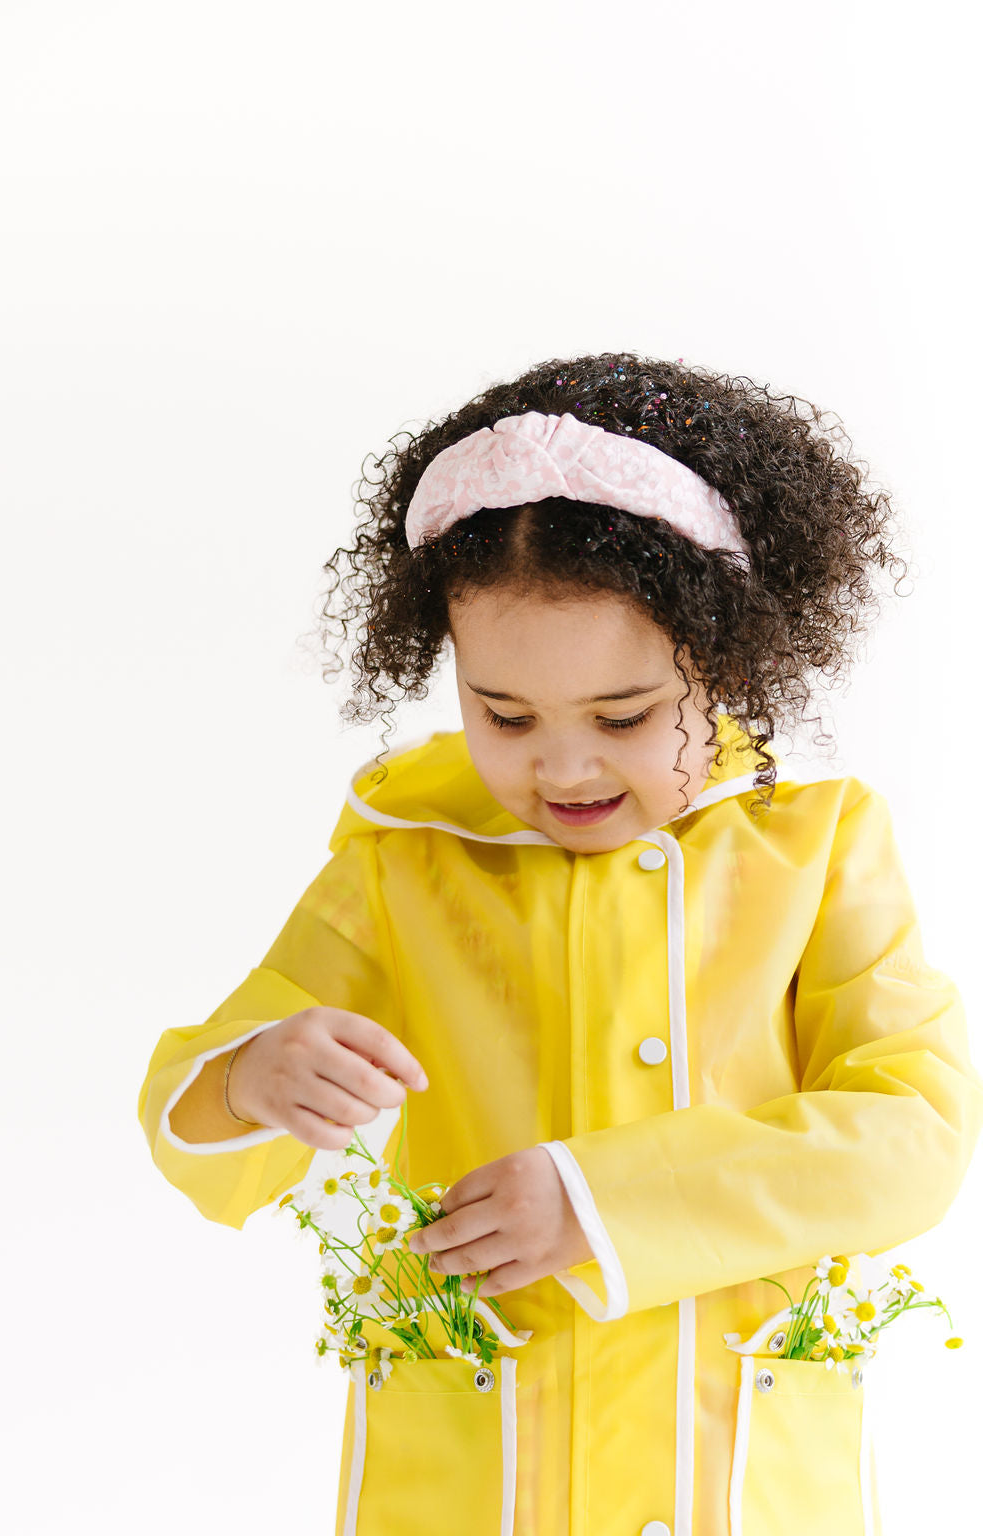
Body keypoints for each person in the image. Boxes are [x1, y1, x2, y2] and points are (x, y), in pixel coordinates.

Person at [137, 352, 983, 1536]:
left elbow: (917, 1133)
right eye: (504, 715)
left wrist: (604, 1204)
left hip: (728, 1475)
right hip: (472, 1472)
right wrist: (254, 1075)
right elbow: (194, 1117)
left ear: (726, 664)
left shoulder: (817, 849)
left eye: (624, 717)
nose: (565, 766)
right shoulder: (404, 861)